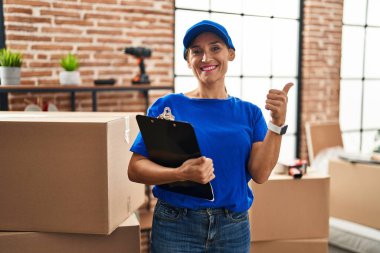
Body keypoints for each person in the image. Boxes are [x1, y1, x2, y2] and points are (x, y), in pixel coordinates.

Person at [128, 20, 293, 253]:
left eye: (215, 48)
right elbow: (135, 169)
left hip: (232, 227)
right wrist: (180, 173)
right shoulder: (167, 107)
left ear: (231, 54)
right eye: (196, 51)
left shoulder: (249, 113)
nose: (206, 58)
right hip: (176, 224)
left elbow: (261, 173)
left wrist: (277, 123)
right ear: (188, 60)